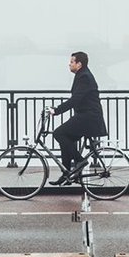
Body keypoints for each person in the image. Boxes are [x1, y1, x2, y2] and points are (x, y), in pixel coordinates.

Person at [47, 51, 107, 186]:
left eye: (72, 62)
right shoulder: (82, 74)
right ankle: (67, 174)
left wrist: (56, 110)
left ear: (79, 64)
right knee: (66, 139)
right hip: (86, 116)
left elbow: (75, 100)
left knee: (59, 133)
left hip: (89, 118)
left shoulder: (84, 77)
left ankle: (80, 161)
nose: (69, 64)